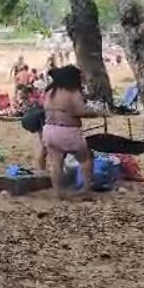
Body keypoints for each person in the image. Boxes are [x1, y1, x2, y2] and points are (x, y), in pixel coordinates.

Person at [42, 66, 95, 196]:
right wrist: (95, 112)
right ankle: (86, 190)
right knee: (85, 158)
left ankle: (58, 192)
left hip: (49, 130)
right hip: (68, 131)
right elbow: (79, 112)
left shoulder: (50, 92)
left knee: (56, 163)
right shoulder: (73, 93)